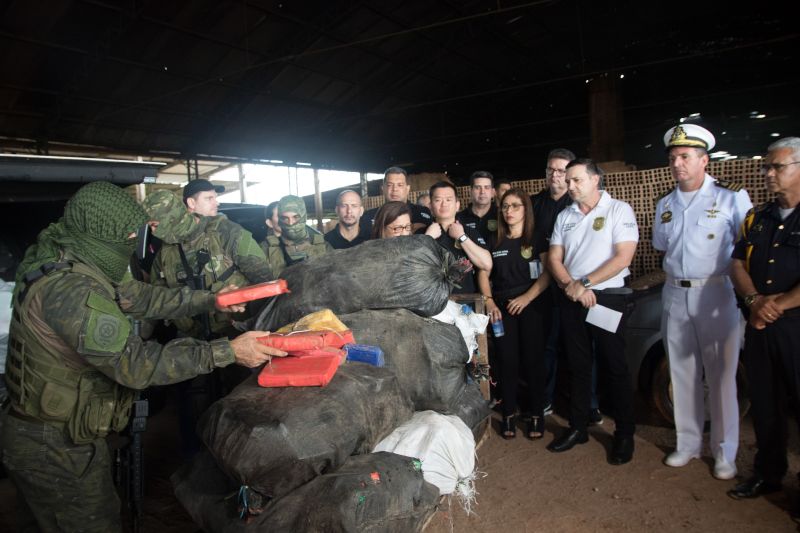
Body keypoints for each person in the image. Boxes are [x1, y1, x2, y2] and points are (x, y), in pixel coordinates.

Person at [0, 181, 285, 532]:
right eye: (130, 236)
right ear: (104, 233)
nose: (137, 242)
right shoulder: (70, 289)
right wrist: (229, 351)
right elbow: (135, 365)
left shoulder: (78, 253)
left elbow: (141, 297)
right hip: (54, 444)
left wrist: (211, 299)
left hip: (67, 430)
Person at [653, 124, 752, 480]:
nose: (678, 163)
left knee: (722, 376)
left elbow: (746, 251)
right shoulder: (665, 202)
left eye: (685, 157)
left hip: (716, 292)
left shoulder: (731, 198)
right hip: (674, 294)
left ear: (703, 160)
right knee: (681, 374)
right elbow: (663, 247)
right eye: (673, 158)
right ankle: (688, 443)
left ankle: (725, 452)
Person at [546, 158, 639, 465]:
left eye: (576, 180)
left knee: (615, 365)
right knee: (577, 365)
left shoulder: (618, 210)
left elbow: (623, 257)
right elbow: (555, 258)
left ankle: (624, 434)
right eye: (567, 180)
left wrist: (584, 283)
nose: (569, 185)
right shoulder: (565, 215)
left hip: (608, 300)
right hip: (572, 299)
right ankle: (578, 427)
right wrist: (571, 285)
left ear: (595, 179)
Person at [728, 137, 800, 508]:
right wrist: (756, 302)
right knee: (766, 405)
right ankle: (768, 475)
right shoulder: (757, 217)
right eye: (766, 167)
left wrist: (780, 304)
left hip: (795, 328)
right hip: (759, 324)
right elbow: (736, 263)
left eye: (777, 167)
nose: (768, 173)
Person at [143, 190, 273, 340]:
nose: (153, 232)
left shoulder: (226, 232)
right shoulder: (164, 255)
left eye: (155, 225)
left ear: (171, 218)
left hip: (242, 334)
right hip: (196, 343)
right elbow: (158, 298)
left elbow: (265, 281)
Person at [478, 188, 552, 440]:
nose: (509, 211)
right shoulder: (494, 239)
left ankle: (535, 415)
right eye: (505, 206)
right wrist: (489, 302)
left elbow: (547, 273)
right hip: (502, 310)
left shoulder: (537, 237)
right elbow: (483, 273)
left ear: (526, 209)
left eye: (515, 206)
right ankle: (508, 412)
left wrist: (526, 298)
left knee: (533, 362)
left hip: (532, 307)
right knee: (506, 362)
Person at [530, 148, 578, 416]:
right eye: (551, 169)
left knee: (577, 346)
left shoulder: (577, 203)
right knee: (546, 344)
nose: (555, 175)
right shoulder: (535, 203)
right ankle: (545, 397)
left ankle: (586, 403)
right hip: (542, 283)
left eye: (561, 170)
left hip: (573, 282)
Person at [425, 181, 491, 295]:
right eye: (438, 200)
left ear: (457, 205)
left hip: (466, 303)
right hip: (432, 303)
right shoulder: (423, 234)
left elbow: (486, 264)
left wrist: (462, 237)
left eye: (448, 199)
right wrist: (427, 238)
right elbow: (410, 267)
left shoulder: (469, 232)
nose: (444, 204)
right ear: (430, 206)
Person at [262, 195, 332, 276]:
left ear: (304, 216)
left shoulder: (323, 246)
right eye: (285, 218)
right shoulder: (266, 249)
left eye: (296, 217)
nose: (291, 223)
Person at [360, 167, 432, 235]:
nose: (395, 189)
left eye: (400, 185)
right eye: (389, 185)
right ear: (383, 188)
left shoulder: (422, 213)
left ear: (407, 188)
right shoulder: (369, 217)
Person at [457, 170, 499, 246]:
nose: (482, 192)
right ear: (470, 191)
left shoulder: (501, 215)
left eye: (487, 187)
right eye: (477, 187)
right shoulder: (459, 218)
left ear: (493, 192)